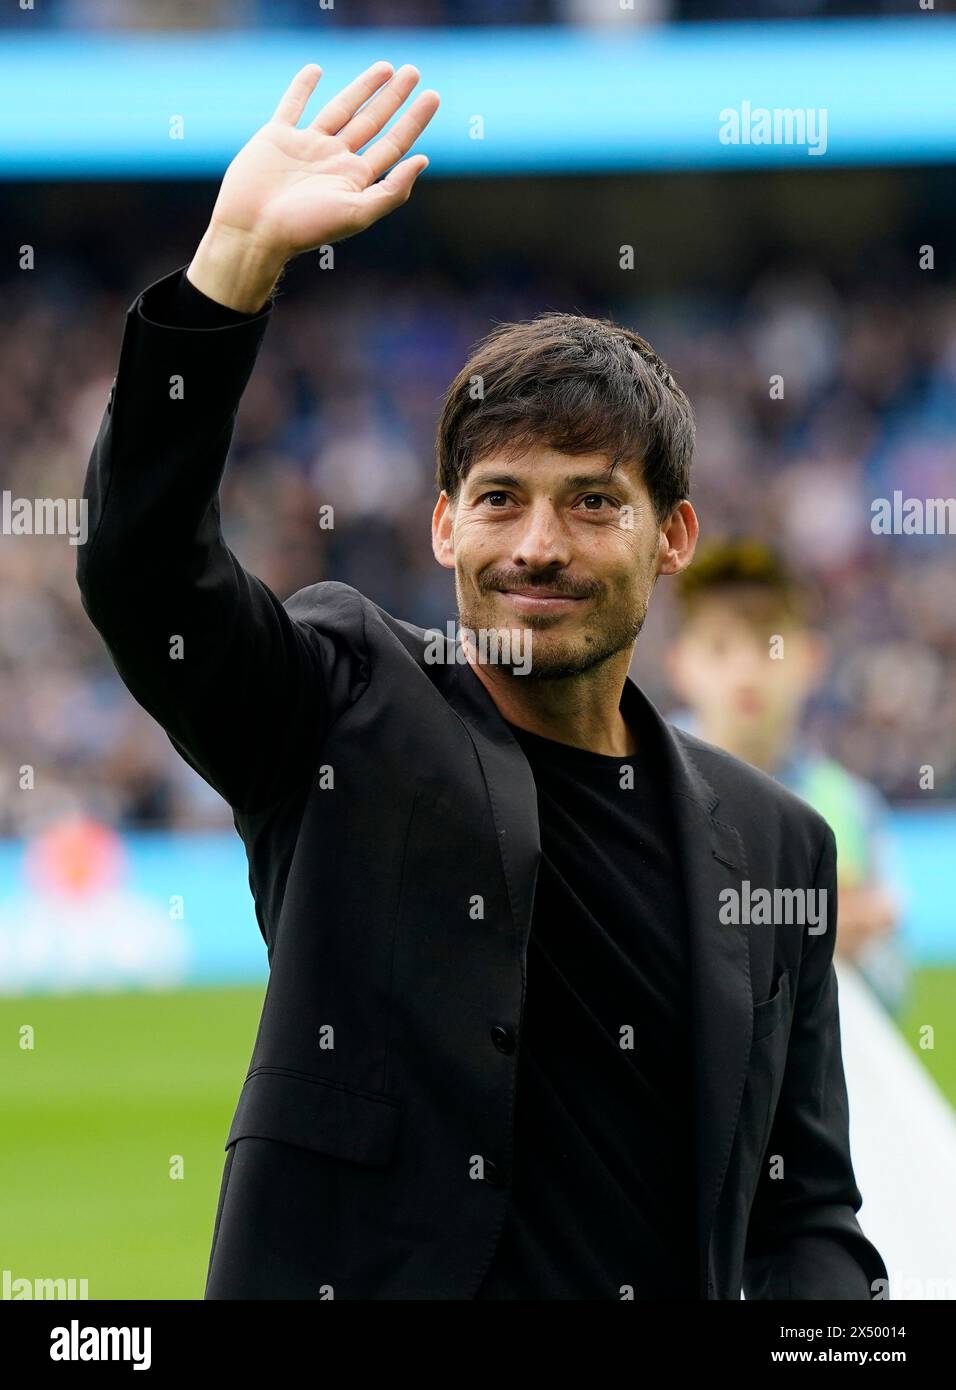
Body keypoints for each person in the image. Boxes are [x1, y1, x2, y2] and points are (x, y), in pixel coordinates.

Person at [76, 61, 886, 1300]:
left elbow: (803, 1213)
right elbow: (145, 576)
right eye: (500, 500)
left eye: (591, 503)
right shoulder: (344, 706)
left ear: (671, 535)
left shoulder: (777, 846)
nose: (538, 546)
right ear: (445, 527)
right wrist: (230, 267)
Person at [666, 539, 908, 1018]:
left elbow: (890, 992)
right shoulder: (640, 783)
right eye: (719, 647)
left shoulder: (848, 806)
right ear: (680, 664)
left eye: (768, 646)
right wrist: (817, 924)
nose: (746, 670)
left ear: (811, 659)